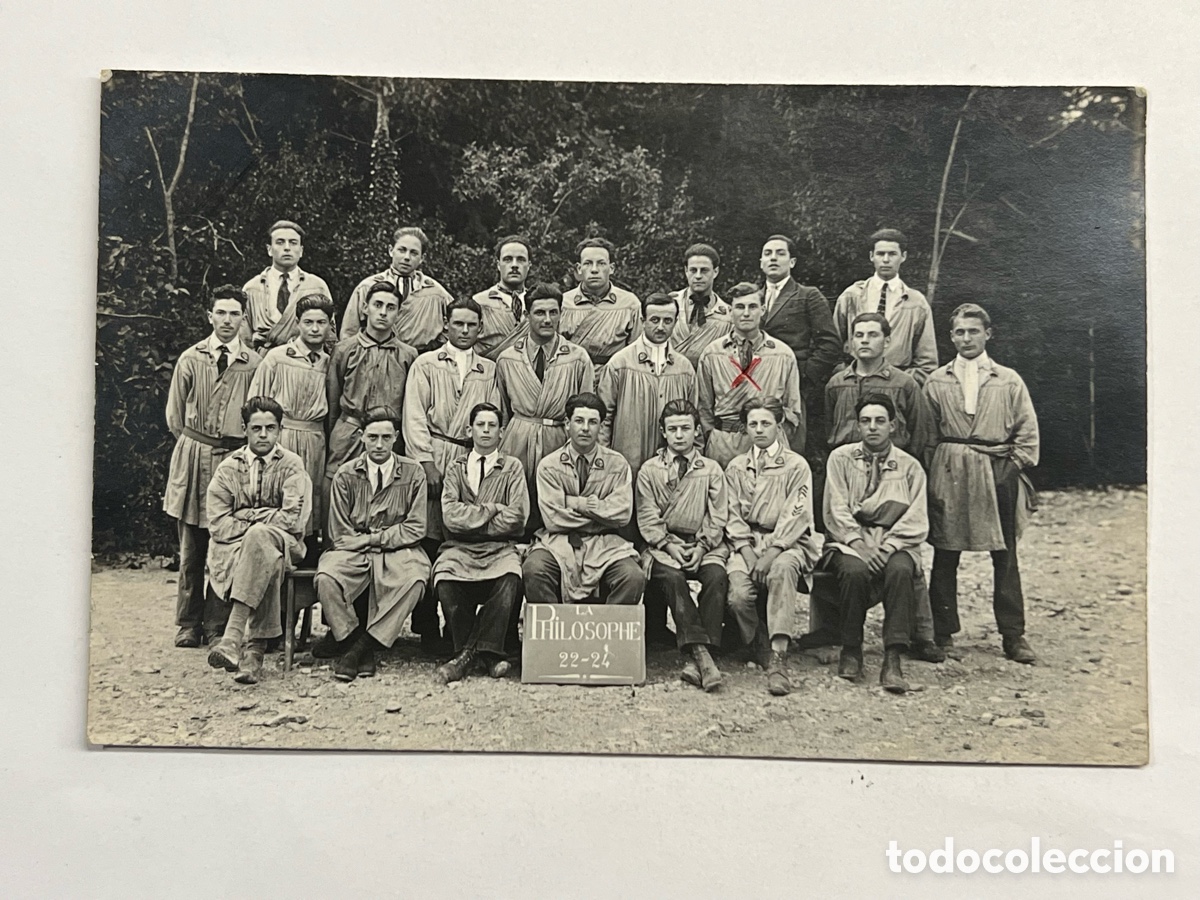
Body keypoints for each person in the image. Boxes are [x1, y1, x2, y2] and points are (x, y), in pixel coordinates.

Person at [812, 311, 940, 662]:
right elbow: (829, 429)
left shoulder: (904, 383)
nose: (865, 341)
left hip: (891, 480)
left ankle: (918, 635)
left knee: (904, 565)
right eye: (859, 335)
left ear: (887, 341)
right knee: (844, 563)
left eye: (873, 335)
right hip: (848, 474)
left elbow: (921, 432)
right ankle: (832, 631)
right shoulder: (837, 383)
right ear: (850, 341)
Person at [925, 303, 1040, 664]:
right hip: (950, 470)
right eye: (959, 332)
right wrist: (934, 475)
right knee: (945, 553)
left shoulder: (1007, 379)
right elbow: (927, 436)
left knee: (1005, 556)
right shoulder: (936, 380)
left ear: (988, 334)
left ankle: (1013, 635)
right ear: (951, 337)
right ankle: (941, 633)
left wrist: (1010, 467)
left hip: (997, 469)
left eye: (973, 331)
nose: (966, 338)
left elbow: (1027, 431)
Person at [163, 285, 263, 648]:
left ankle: (215, 623)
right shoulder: (192, 358)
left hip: (234, 459)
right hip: (194, 455)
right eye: (221, 313)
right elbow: (175, 416)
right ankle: (188, 621)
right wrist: (198, 444)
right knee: (192, 546)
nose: (227, 320)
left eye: (235, 314)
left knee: (228, 542)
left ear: (243, 319)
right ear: (210, 316)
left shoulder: (253, 363)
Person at [403, 297, 501, 646]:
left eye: (471, 325)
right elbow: (414, 415)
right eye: (457, 323)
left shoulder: (488, 369)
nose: (464, 330)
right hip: (435, 450)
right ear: (446, 325)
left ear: (480, 328)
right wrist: (425, 462)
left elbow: (492, 414)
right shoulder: (426, 363)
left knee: (463, 533)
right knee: (430, 535)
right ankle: (426, 622)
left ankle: (458, 623)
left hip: (469, 454)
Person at [819, 395, 929, 694]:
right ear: (857, 425)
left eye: (880, 421)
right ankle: (851, 648)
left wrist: (890, 546)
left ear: (892, 425)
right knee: (854, 571)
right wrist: (858, 542)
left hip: (894, 540)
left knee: (900, 570)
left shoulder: (909, 466)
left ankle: (892, 658)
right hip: (850, 540)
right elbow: (836, 507)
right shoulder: (841, 458)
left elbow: (917, 515)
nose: (872, 427)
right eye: (866, 421)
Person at [313, 407, 430, 681]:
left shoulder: (413, 473)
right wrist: (367, 541)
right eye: (373, 437)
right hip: (352, 549)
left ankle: (362, 647)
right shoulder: (346, 475)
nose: (379, 444)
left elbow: (415, 528)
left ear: (396, 438)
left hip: (399, 549)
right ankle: (353, 639)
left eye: (386, 437)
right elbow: (340, 533)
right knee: (327, 577)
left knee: (414, 579)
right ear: (361, 437)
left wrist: (375, 539)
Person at [205, 397, 312, 684]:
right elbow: (218, 524)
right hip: (235, 549)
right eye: (256, 428)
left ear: (280, 430)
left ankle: (232, 637)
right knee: (262, 553)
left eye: (270, 428)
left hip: (287, 544)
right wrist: (266, 516)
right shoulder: (229, 468)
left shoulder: (291, 465)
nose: (263, 435)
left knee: (260, 539)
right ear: (245, 429)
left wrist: (246, 516)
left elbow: (293, 519)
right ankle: (254, 653)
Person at [724, 399, 821, 696]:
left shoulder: (795, 465)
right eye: (753, 424)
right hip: (747, 543)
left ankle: (779, 653)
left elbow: (798, 511)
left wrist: (774, 549)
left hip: (786, 541)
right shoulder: (738, 466)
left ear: (778, 426)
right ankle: (757, 641)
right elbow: (731, 513)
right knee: (739, 596)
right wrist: (747, 550)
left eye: (766, 423)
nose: (759, 430)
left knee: (781, 571)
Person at [431, 403, 530, 684]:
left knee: (511, 577)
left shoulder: (512, 468)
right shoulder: (455, 468)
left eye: (492, 426)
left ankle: (465, 656)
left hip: (501, 548)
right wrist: (492, 510)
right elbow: (450, 517)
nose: (486, 431)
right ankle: (486, 654)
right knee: (445, 580)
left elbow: (517, 517)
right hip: (458, 548)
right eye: (480, 425)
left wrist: (473, 522)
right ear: (469, 430)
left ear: (501, 432)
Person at [636, 400, 729, 691]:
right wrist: (668, 545)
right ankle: (702, 655)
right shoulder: (650, 470)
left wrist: (702, 546)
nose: (679, 435)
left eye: (686, 428)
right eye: (672, 429)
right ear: (663, 432)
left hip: (704, 544)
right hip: (664, 546)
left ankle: (701, 654)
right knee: (673, 578)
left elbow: (718, 514)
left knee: (716, 577)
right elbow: (647, 514)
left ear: (696, 431)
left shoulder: (711, 469)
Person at [522, 393, 645, 605]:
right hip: (558, 541)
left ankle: (606, 635)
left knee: (632, 576)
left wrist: (571, 502)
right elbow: (554, 519)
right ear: (567, 424)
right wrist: (600, 511)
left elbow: (622, 514)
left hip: (605, 544)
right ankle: (555, 635)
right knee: (535, 569)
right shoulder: (549, 465)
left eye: (593, 422)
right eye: (579, 421)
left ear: (601, 426)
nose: (585, 428)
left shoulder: (617, 464)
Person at [495, 282, 594, 510]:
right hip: (518, 439)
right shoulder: (508, 358)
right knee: (516, 504)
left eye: (553, 312)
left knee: (557, 503)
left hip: (559, 440)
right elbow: (501, 409)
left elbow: (587, 409)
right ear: (527, 315)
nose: (547, 320)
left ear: (561, 314)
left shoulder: (577, 357)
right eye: (539, 313)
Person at [326, 282, 418, 522]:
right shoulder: (344, 350)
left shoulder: (408, 355)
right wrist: (335, 435)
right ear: (365, 308)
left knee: (384, 490)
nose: (383, 312)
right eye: (377, 305)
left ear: (399, 313)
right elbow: (333, 400)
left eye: (391, 307)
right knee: (339, 487)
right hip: (349, 430)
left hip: (387, 436)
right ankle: (334, 548)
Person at [248, 293, 334, 547]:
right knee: (279, 496)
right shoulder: (277, 357)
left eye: (321, 322)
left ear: (330, 325)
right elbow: (256, 402)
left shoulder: (330, 362)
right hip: (283, 438)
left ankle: (307, 553)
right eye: (308, 322)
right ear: (297, 323)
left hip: (316, 440)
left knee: (311, 499)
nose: (315, 328)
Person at [696, 282, 804, 468]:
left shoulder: (782, 354)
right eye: (739, 307)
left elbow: (792, 409)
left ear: (762, 310)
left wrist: (774, 437)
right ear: (730, 311)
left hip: (769, 444)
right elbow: (703, 407)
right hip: (725, 445)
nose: (746, 313)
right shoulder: (712, 353)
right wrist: (715, 437)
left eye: (752, 307)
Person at [598, 291, 699, 484]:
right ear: (643, 320)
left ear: (676, 322)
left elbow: (695, 419)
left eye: (667, 321)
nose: (661, 327)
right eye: (654, 320)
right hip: (627, 462)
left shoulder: (684, 368)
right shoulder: (620, 363)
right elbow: (604, 419)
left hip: (673, 468)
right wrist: (605, 462)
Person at [833, 228, 938, 384]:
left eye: (892, 254)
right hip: (855, 381)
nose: (886, 260)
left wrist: (900, 380)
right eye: (880, 254)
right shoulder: (851, 296)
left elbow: (927, 362)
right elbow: (833, 345)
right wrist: (846, 373)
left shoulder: (916, 302)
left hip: (897, 383)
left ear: (903, 257)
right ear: (871, 256)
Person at [757, 233, 841, 425]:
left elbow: (830, 344)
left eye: (780, 253)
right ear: (761, 262)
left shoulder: (808, 295)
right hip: (756, 381)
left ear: (792, 262)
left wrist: (805, 377)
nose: (773, 258)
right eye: (768, 253)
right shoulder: (752, 299)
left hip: (792, 383)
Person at [340, 225, 453, 352]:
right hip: (374, 358)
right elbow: (349, 333)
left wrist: (437, 348)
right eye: (402, 250)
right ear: (390, 250)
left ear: (422, 258)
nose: (407, 257)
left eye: (414, 253)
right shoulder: (368, 286)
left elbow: (458, 321)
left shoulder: (435, 292)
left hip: (420, 360)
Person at [240, 220, 334, 352]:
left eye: (293, 242)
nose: (287, 248)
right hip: (262, 362)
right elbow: (243, 336)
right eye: (280, 242)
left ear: (301, 251)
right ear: (269, 249)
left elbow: (329, 333)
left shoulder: (317, 286)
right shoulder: (252, 288)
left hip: (305, 361)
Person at [560, 237, 642, 379]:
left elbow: (637, 353)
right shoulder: (563, 303)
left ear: (611, 268)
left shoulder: (630, 303)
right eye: (588, 263)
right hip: (570, 377)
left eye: (601, 263)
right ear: (579, 269)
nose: (594, 270)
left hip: (614, 379)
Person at [668, 243, 732, 368]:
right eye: (693, 270)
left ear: (715, 272)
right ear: (686, 271)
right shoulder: (670, 304)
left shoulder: (728, 317)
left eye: (704, 270)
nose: (698, 276)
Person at [472, 235, 533, 360]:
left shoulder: (538, 303)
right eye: (508, 259)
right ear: (498, 265)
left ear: (529, 265)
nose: (514, 265)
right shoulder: (479, 302)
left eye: (521, 259)